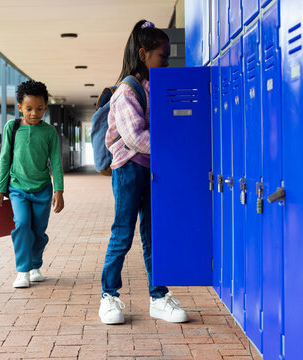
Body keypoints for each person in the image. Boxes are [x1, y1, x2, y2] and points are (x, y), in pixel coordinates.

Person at [98, 20, 189, 324]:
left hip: (152, 169)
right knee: (122, 234)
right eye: (162, 55)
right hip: (129, 170)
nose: (167, 61)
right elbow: (136, 137)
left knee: (154, 233)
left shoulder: (155, 86)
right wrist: (175, 146)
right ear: (142, 54)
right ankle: (109, 296)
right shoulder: (127, 90)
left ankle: (159, 296)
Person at [0, 80, 64, 288]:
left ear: (46, 108)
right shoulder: (11, 128)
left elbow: (56, 162)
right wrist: (0, 189)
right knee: (22, 224)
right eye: (29, 109)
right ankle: (22, 270)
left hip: (42, 190)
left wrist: (58, 190)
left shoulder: (49, 132)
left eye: (39, 108)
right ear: (19, 108)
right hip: (18, 189)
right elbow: (5, 159)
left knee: (38, 230)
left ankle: (35, 265)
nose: (34, 113)